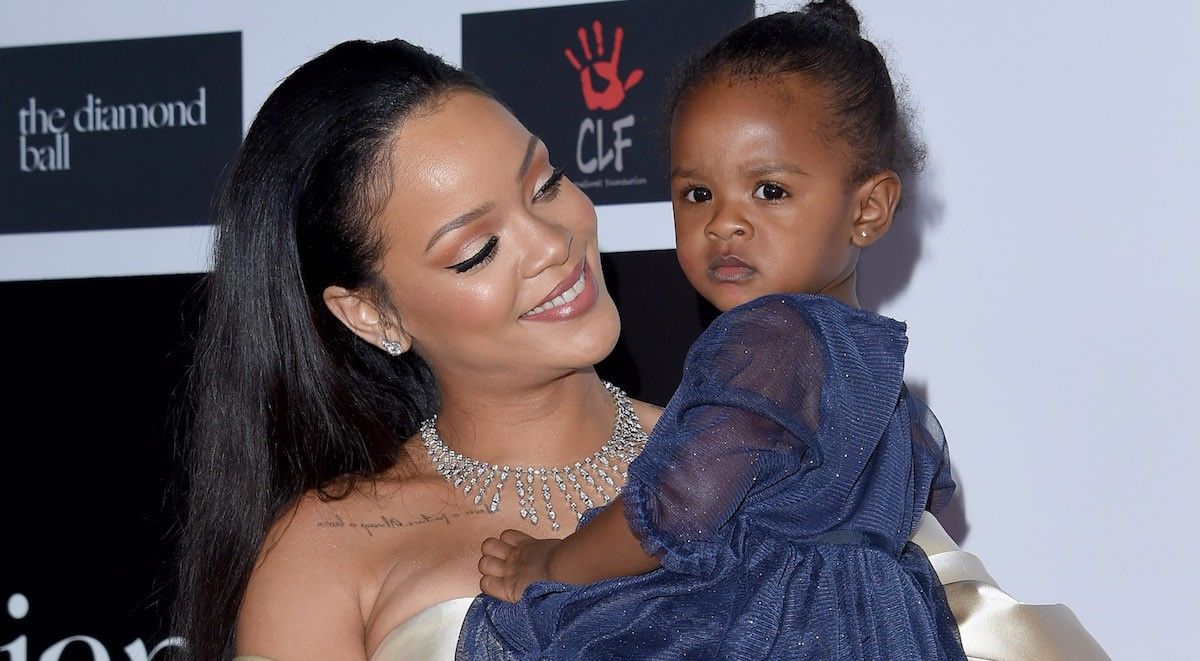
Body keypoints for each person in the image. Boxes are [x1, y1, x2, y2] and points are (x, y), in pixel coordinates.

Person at [465, 3, 1108, 660]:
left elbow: (675, 510)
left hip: (772, 627)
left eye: (769, 190)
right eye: (696, 194)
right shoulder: (871, 370)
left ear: (868, 208)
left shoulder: (769, 340)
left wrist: (551, 563)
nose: (724, 222)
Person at [171, 39, 664, 660]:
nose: (552, 245)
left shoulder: (746, 456)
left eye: (545, 185)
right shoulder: (328, 550)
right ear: (372, 314)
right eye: (477, 251)